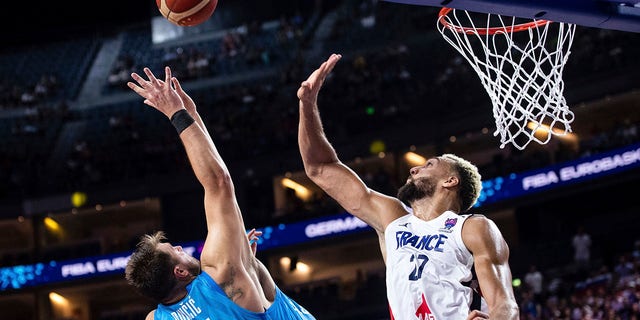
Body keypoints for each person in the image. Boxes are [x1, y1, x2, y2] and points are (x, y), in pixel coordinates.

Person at [297, 53, 519, 320]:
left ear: (451, 181)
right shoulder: (392, 218)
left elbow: (505, 306)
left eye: (429, 165)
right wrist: (307, 106)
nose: (414, 168)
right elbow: (320, 169)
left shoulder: (472, 227)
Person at [124, 66, 316, 320]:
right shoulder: (220, 271)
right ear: (180, 272)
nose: (181, 247)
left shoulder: (157, 318)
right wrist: (176, 113)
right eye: (176, 251)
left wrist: (191, 115)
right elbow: (218, 182)